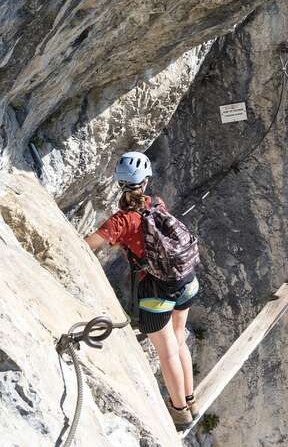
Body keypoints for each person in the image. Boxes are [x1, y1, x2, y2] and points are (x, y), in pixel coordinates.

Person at [84, 152, 199, 430]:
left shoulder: (120, 222)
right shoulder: (158, 204)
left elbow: (86, 244)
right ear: (145, 182)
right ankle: (191, 401)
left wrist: (117, 241)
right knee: (179, 341)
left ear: (118, 184)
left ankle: (180, 412)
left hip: (156, 293)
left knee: (168, 351)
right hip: (186, 281)